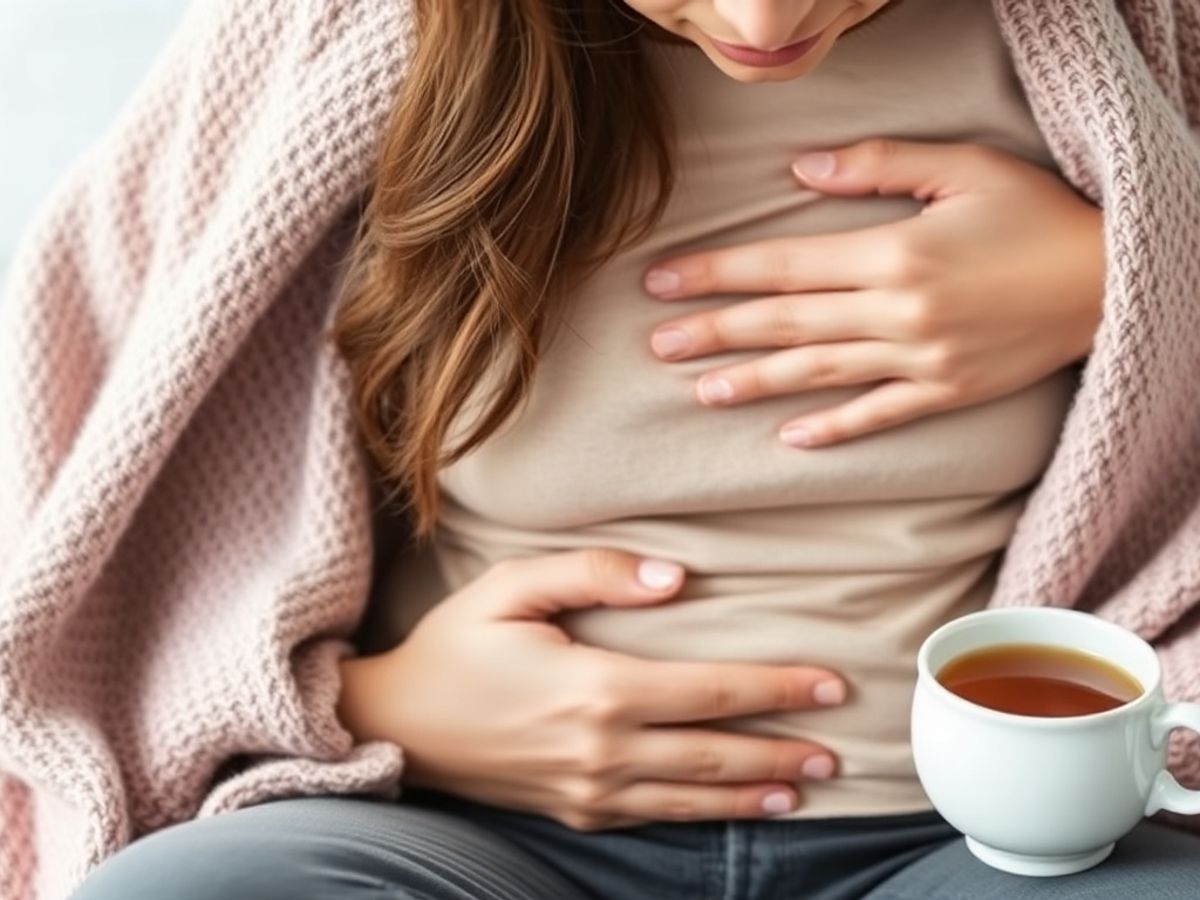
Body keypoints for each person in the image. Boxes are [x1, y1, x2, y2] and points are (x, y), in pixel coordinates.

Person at [1, 0, 1198, 898]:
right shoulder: (337, 38)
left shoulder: (1130, 36)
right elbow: (79, 489)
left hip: (1004, 838)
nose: (763, 20)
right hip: (462, 830)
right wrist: (367, 706)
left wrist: (1142, 267)